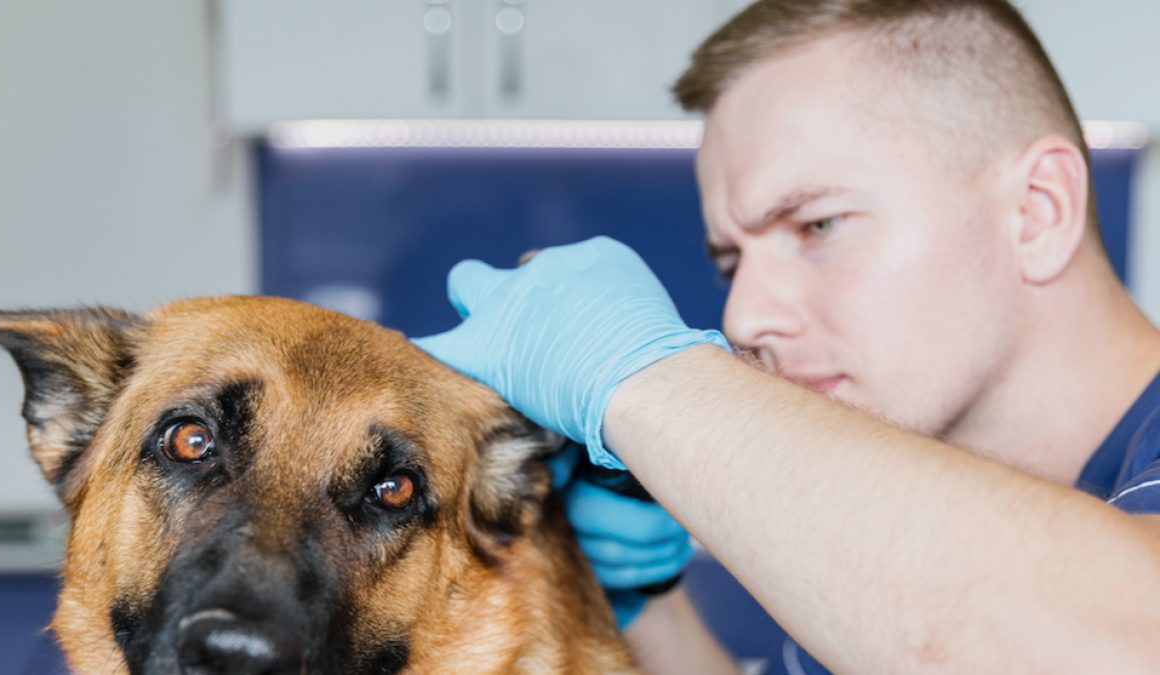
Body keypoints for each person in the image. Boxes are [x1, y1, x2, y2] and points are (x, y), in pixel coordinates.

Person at [414, 0, 1160, 672]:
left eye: (817, 224)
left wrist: (640, 377)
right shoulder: (908, 551)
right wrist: (647, 606)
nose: (742, 319)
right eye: (731, 260)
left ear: (1039, 210)